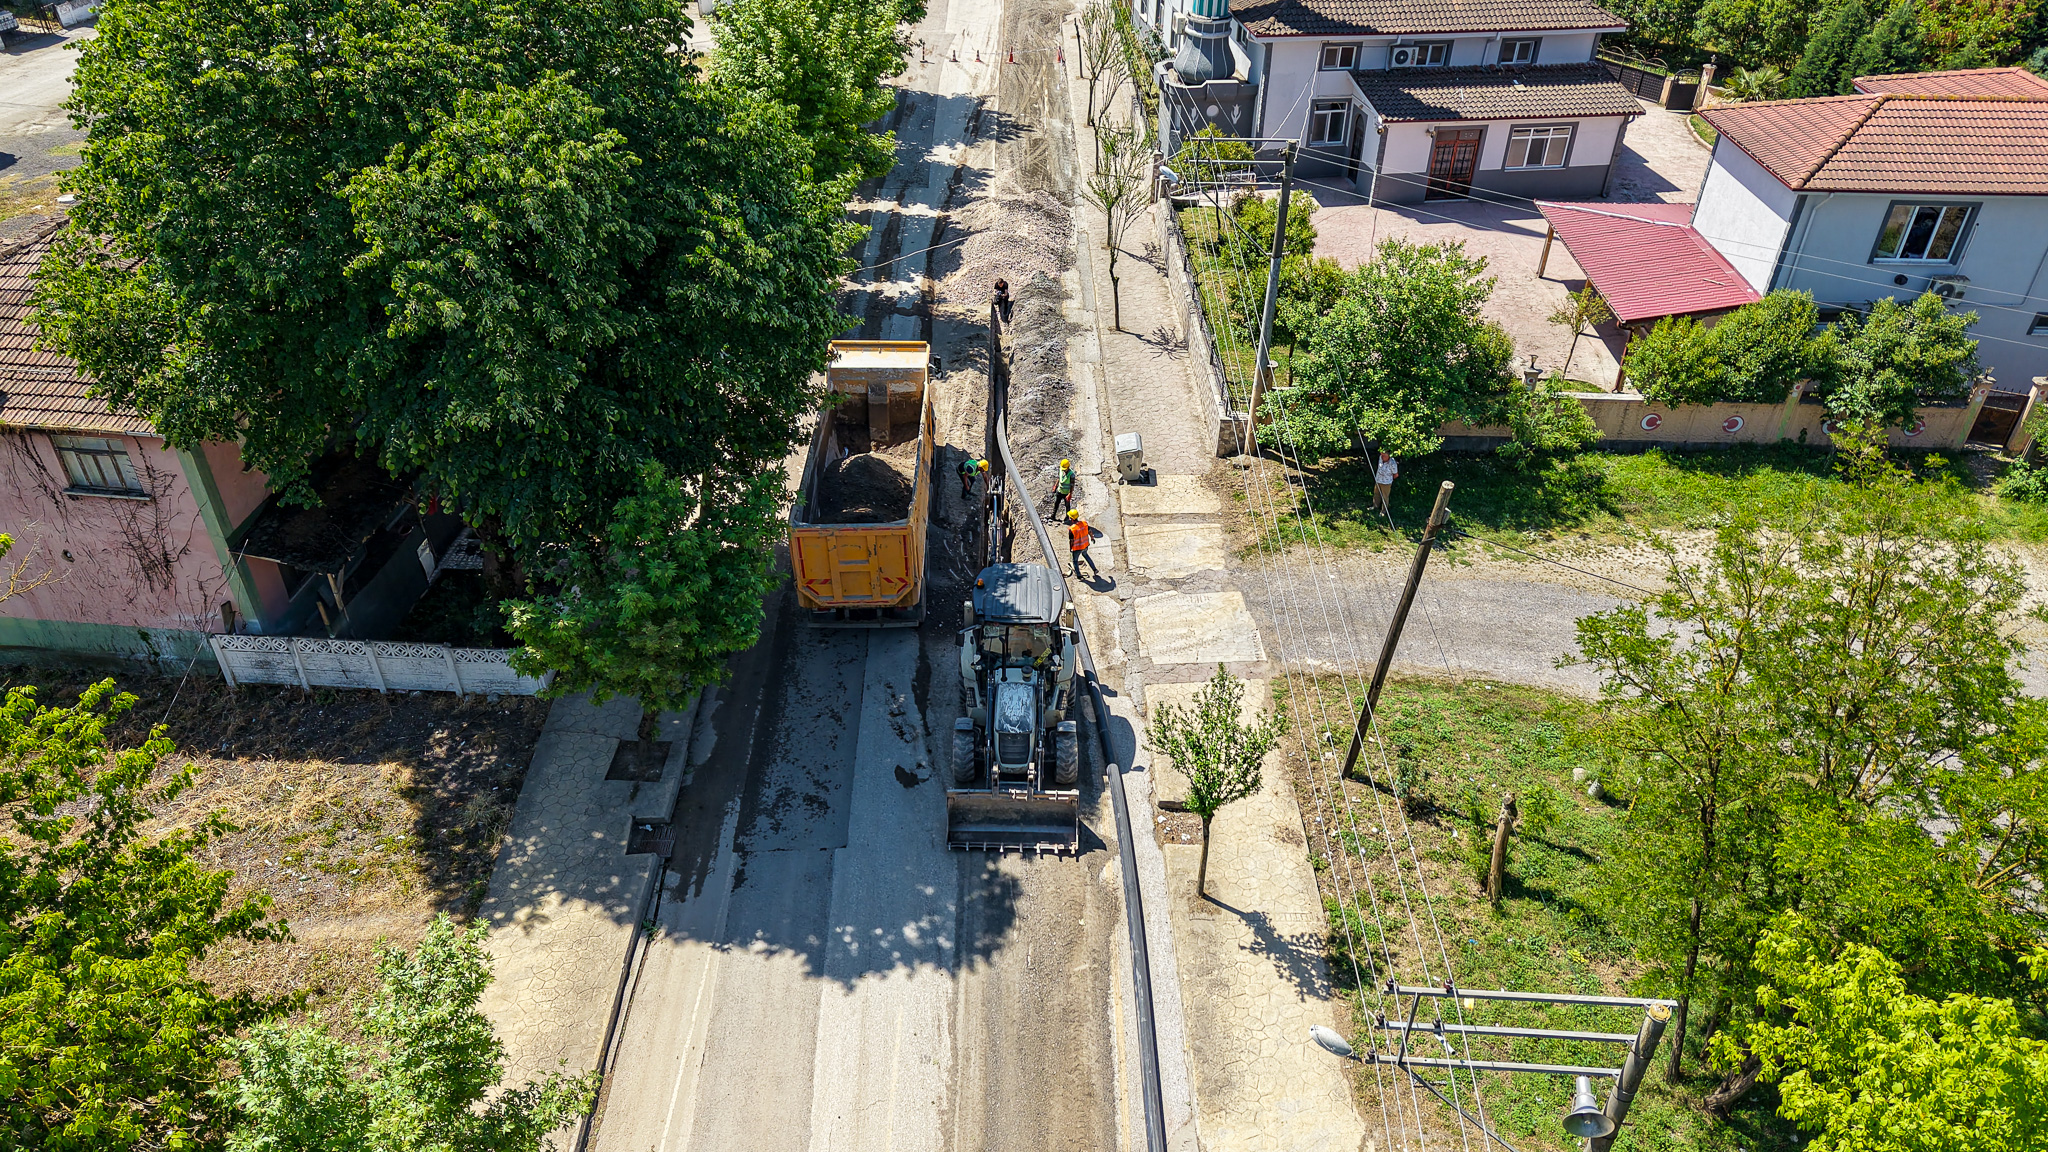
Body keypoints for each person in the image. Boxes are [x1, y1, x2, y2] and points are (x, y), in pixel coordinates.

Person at [1066, 509, 1099, 581]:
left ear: (1071, 518)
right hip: (1085, 545)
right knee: (1086, 556)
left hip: (1077, 548)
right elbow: (1090, 531)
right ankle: (1094, 569)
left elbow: (1071, 541)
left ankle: (1079, 576)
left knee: (1075, 561)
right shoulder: (1084, 524)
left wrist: (1071, 548)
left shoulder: (1072, 529)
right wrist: (1092, 538)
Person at [1372, 451, 1399, 516]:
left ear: (1388, 456)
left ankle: (1383, 511)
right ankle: (1375, 506)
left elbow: (1396, 475)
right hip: (1378, 480)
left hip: (1386, 483)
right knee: (1376, 494)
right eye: (1382, 455)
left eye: (1384, 456)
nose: (1382, 457)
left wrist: (1388, 479)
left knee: (1385, 497)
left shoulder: (1392, 463)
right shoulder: (1380, 458)